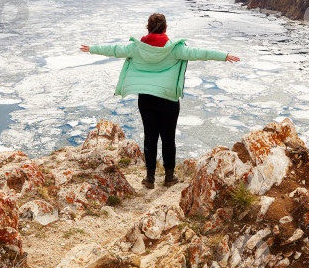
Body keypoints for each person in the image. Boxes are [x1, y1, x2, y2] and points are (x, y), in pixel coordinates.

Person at [79, 13, 240, 189]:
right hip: (168, 100)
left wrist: (92, 48)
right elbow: (200, 53)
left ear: (147, 28)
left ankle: (149, 178)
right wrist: (224, 55)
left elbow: (115, 50)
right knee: (168, 138)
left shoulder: (136, 48)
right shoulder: (175, 49)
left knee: (150, 137)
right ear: (165, 28)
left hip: (146, 99)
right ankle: (169, 177)